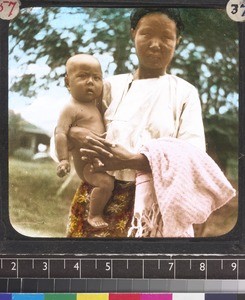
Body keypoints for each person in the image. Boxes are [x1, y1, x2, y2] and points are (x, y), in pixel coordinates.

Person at [65, 8, 234, 238]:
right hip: (101, 195)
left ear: (178, 41)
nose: (156, 44)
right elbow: (74, 118)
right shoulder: (110, 87)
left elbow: (193, 158)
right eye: (146, 34)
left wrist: (132, 161)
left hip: (155, 205)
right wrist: (75, 133)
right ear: (133, 33)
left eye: (166, 37)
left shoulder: (184, 93)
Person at [55, 54, 114, 229]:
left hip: (100, 159)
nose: (90, 82)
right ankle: (94, 214)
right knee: (105, 183)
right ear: (68, 82)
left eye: (96, 78)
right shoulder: (70, 107)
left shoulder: (96, 104)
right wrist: (64, 159)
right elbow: (60, 133)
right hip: (87, 164)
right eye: (82, 76)